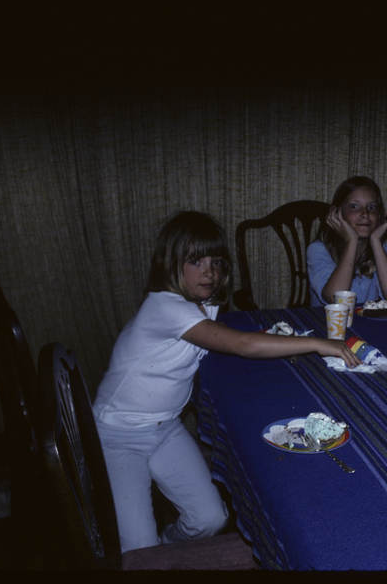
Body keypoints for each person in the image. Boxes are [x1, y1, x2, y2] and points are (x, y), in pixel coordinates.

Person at [93, 211, 360, 553]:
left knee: (210, 518)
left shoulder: (203, 304)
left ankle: (164, 549)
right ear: (170, 264)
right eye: (195, 261)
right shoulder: (165, 305)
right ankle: (150, 555)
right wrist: (318, 343)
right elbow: (242, 344)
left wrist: (265, 338)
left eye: (216, 261)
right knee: (137, 548)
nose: (209, 272)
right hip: (118, 434)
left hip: (165, 427)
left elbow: (224, 335)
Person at [307, 176, 387, 306]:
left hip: (366, 318)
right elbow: (335, 298)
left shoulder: (384, 251)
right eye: (354, 206)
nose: (365, 214)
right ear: (335, 212)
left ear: (379, 215)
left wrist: (376, 241)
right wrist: (351, 241)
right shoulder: (319, 249)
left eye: (372, 207)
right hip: (328, 319)